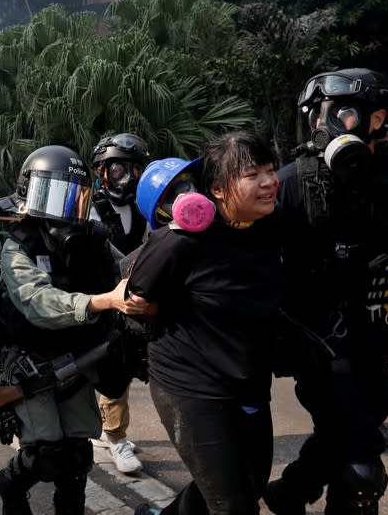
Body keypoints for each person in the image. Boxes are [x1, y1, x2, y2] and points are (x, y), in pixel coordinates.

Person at [264, 68, 388, 514]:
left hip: (376, 339)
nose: (325, 124)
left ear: (377, 117)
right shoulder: (291, 183)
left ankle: (290, 492)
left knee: (349, 430)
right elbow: (240, 260)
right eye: (316, 116)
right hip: (317, 344)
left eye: (340, 113)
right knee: (361, 462)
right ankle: (296, 492)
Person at [130, 132, 282, 515]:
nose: (268, 181)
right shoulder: (182, 240)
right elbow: (136, 296)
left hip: (246, 379)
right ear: (216, 188)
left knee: (249, 480)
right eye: (252, 174)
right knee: (232, 506)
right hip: (191, 383)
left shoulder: (269, 226)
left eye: (270, 169)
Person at [0, 144, 150, 514]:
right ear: (31, 194)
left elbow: (126, 269)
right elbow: (37, 302)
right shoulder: (19, 247)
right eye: (56, 195)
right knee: (46, 453)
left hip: (79, 356)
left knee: (77, 456)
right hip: (32, 359)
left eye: (75, 198)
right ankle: (10, 482)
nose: (67, 210)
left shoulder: (91, 238)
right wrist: (101, 302)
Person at [88, 132, 150, 473]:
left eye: (134, 170)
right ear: (102, 172)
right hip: (102, 298)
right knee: (114, 366)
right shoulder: (90, 208)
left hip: (135, 295)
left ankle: (106, 430)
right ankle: (113, 437)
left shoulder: (145, 205)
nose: (128, 178)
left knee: (126, 366)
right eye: (119, 170)